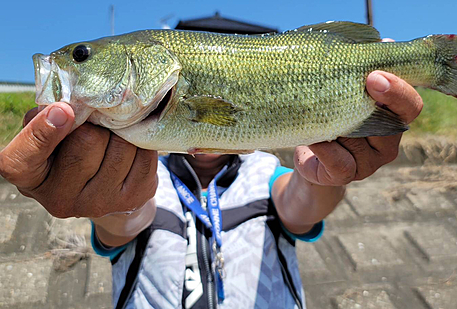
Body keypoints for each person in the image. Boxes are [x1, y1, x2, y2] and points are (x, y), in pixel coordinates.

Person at [0, 71, 423, 309]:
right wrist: (103, 199)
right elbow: (124, 219)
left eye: (81, 58)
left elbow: (300, 207)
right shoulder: (140, 170)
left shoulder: (263, 168)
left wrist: (326, 174)